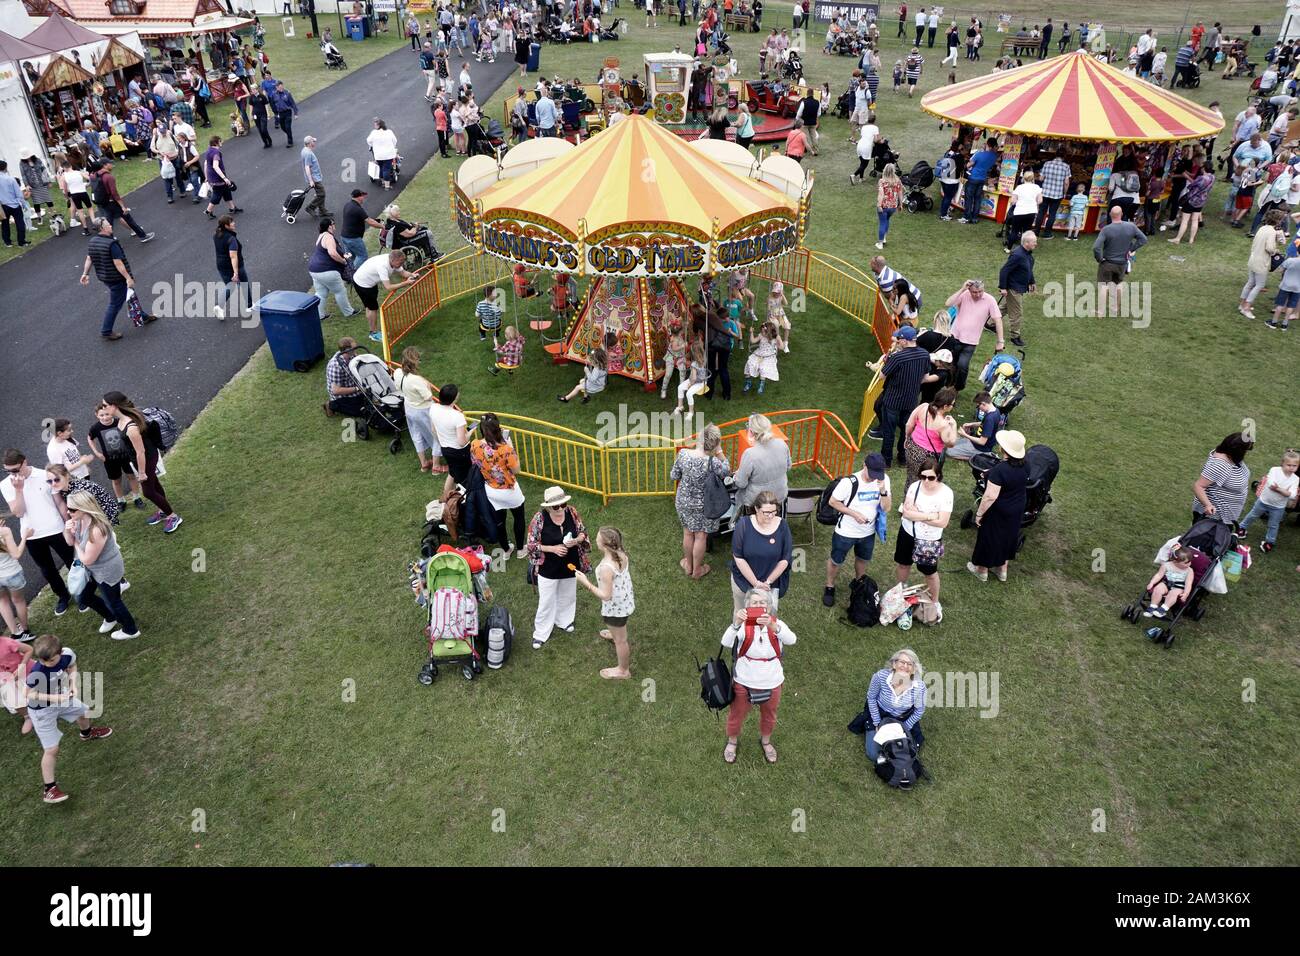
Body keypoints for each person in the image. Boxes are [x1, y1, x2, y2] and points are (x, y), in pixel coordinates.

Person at [1, 450, 104, 618]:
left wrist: (69, 525)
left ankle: (83, 594)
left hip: (57, 529)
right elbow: (18, 513)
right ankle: (63, 596)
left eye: (15, 469)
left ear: (25, 462)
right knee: (47, 570)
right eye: (8, 471)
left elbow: (59, 503)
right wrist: (18, 490)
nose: (13, 474)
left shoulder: (44, 475)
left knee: (73, 562)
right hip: (32, 535)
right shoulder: (6, 485)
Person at [25, 635, 113, 805]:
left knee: (85, 712)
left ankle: (87, 734)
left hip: (62, 698)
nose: (46, 663)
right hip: (41, 710)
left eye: (50, 660)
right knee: (52, 749)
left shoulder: (67, 655)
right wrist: (55, 698)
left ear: (59, 652)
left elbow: (72, 665)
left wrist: (72, 684)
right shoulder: (38, 671)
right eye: (43, 660)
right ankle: (49, 790)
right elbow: (28, 694)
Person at [721, 589, 796, 765]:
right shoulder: (743, 625)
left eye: (762, 603)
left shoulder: (777, 624)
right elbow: (725, 642)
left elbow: (792, 639)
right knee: (737, 714)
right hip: (744, 681)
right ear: (747, 606)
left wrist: (773, 627)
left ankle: (766, 741)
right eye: (754, 603)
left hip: (772, 681)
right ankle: (732, 742)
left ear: (769, 607)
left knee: (769, 714)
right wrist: (736, 624)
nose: (758, 606)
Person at [62, 491, 139, 641]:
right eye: (68, 508)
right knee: (83, 596)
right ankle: (110, 618)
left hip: (106, 570)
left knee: (114, 601)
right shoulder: (78, 520)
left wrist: (77, 543)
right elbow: (69, 542)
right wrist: (67, 530)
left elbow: (86, 559)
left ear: (83, 508)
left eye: (71, 509)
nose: (68, 512)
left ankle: (131, 629)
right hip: (91, 570)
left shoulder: (97, 529)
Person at [102, 392, 181, 534]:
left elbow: (141, 452)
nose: (103, 408)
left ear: (114, 406)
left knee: (148, 491)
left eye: (105, 405)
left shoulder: (131, 427)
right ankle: (163, 511)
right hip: (140, 459)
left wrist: (142, 472)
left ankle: (173, 516)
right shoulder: (121, 420)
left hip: (147, 459)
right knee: (154, 484)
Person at [525, 486, 592, 649]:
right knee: (546, 600)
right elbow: (531, 545)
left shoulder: (572, 512)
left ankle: (565, 620)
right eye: (556, 507)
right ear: (547, 507)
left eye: (563, 504)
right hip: (548, 568)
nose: (561, 509)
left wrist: (576, 540)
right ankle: (540, 633)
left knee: (568, 595)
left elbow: (583, 532)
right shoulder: (539, 519)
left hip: (570, 563)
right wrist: (553, 548)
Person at [823, 451, 891, 607]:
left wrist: (883, 491)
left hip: (868, 532)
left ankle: (859, 583)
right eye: (871, 473)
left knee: (863, 559)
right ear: (864, 466)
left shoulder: (883, 480)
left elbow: (886, 508)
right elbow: (833, 502)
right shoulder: (849, 482)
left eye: (877, 474)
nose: (874, 477)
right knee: (836, 561)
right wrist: (854, 514)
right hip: (846, 532)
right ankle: (830, 586)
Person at [670, 423, 731, 580]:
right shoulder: (713, 462)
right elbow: (727, 471)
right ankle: (697, 570)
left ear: (699, 438)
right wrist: (720, 452)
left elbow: (674, 476)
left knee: (687, 533)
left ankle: (688, 565)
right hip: (705, 505)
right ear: (714, 444)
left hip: (683, 501)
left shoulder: (683, 454)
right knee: (700, 536)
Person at [967, 430, 1028, 582]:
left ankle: (981, 571)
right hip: (1018, 507)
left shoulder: (1000, 471)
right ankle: (1002, 571)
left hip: (999, 510)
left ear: (1004, 449)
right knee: (1008, 537)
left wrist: (979, 515)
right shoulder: (1026, 465)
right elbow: (1011, 477)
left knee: (989, 537)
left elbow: (989, 497)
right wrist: (991, 473)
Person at [574, 527, 635, 679]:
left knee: (621, 641)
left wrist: (585, 582)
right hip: (625, 601)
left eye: (597, 538)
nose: (595, 540)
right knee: (619, 632)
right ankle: (615, 634)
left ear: (606, 545)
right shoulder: (621, 553)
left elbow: (606, 596)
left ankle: (623, 670)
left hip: (616, 609)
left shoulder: (606, 568)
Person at [894, 456, 952, 616]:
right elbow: (906, 513)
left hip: (929, 540)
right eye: (923, 476)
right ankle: (900, 593)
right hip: (908, 533)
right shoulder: (915, 487)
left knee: (929, 572)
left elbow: (943, 522)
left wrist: (916, 513)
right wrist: (929, 516)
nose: (926, 481)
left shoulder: (946, 494)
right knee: (903, 564)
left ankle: (935, 601)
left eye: (931, 477)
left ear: (938, 476)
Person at [79, 218, 151, 342]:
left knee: (129, 294)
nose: (111, 226)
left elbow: (89, 258)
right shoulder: (111, 244)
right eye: (108, 224)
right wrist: (128, 278)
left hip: (105, 277)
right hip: (117, 278)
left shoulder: (93, 241)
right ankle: (106, 331)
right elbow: (118, 263)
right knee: (115, 304)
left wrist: (85, 273)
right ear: (102, 228)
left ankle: (143, 316)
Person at [871, 325, 931, 466]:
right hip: (911, 400)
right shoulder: (925, 354)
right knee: (907, 431)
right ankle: (902, 458)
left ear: (905, 341)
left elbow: (881, 376)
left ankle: (886, 460)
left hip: (892, 400)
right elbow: (926, 377)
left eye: (898, 340)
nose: (897, 342)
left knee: (889, 431)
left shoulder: (897, 357)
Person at [469, 412, 528, 555]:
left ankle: (506, 550)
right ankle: (521, 549)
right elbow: (516, 470)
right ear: (498, 429)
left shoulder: (475, 445)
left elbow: (475, 462)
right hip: (510, 490)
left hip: (491, 490)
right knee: (519, 517)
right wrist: (511, 446)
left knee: (499, 521)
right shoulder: (505, 449)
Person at [729, 489, 792, 612]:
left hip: (770, 585)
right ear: (757, 509)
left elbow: (785, 558)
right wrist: (756, 583)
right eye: (766, 512)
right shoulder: (743, 524)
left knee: (767, 617)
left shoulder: (783, 526)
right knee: (742, 613)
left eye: (774, 512)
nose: (770, 516)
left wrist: (767, 583)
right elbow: (738, 557)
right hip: (744, 582)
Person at [859, 649, 925, 762]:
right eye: (902, 662)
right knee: (874, 755)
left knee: (908, 750)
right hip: (880, 715)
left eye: (910, 664)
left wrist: (905, 727)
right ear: (894, 664)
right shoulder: (880, 677)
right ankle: (870, 730)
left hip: (902, 719)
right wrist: (877, 722)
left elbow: (919, 710)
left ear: (914, 669)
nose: (905, 666)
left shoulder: (920, 686)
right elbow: (871, 698)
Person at [945, 279, 1004, 391]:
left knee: (962, 365)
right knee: (951, 363)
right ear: (969, 290)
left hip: (971, 341)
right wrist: (962, 289)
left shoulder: (990, 300)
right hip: (954, 336)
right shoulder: (964, 294)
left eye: (980, 291)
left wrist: (1000, 341)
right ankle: (949, 384)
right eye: (974, 292)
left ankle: (956, 388)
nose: (977, 294)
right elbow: (948, 303)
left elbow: (998, 320)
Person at [1239, 448, 1299, 551]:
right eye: (1289, 465)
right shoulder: (1274, 470)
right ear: (1282, 463)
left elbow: (1293, 495)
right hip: (1263, 501)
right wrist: (1285, 492)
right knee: (1252, 515)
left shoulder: (1296, 479)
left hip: (1278, 507)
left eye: (1295, 466)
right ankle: (1242, 528)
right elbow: (1271, 485)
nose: (1291, 468)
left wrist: (1278, 489)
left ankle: (1269, 542)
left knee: (1273, 525)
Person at [393, 347, 441, 475]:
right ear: (415, 361)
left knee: (416, 434)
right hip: (423, 410)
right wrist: (428, 386)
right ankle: (436, 467)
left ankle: (424, 463)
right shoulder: (416, 380)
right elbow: (428, 396)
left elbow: (397, 386)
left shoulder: (397, 372)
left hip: (409, 407)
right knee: (436, 435)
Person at [352, 249, 417, 343]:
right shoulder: (383, 266)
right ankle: (373, 333)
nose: (402, 264)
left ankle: (372, 327)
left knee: (370, 307)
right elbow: (388, 287)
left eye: (403, 261)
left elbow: (403, 273)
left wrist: (413, 275)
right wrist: (406, 283)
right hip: (363, 284)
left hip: (369, 282)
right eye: (400, 262)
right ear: (392, 260)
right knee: (373, 308)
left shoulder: (393, 260)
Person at [1093, 206, 1147, 315]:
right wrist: (1131, 249)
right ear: (1121, 214)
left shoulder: (1106, 229)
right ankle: (1115, 309)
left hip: (1107, 263)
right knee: (1119, 284)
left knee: (1104, 286)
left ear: (1110, 215)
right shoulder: (1131, 226)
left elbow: (1096, 247)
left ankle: (1100, 311)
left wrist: (1099, 259)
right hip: (1122, 263)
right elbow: (1143, 239)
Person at [1192, 432, 1254, 526]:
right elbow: (1198, 486)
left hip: (1225, 517)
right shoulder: (1221, 465)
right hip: (1213, 519)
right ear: (1237, 451)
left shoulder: (1230, 456)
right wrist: (1208, 505)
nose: (1246, 453)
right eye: (1245, 450)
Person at [732, 414, 792, 510]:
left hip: (757, 502)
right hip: (779, 496)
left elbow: (741, 483)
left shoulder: (750, 454)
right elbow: (788, 466)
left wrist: (736, 476)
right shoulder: (782, 443)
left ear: (750, 432)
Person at [902, 387, 957, 486]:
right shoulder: (943, 424)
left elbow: (909, 424)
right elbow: (950, 443)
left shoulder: (923, 407)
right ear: (945, 406)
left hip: (912, 448)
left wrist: (907, 437)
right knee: (924, 483)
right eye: (953, 404)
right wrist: (954, 426)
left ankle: (908, 498)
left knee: (911, 477)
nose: (953, 406)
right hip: (928, 458)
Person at [89, 159, 153, 242]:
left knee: (109, 222)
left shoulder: (95, 175)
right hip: (113, 203)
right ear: (104, 165)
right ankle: (143, 236)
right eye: (110, 163)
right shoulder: (108, 177)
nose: (112, 165)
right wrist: (122, 206)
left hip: (103, 203)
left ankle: (107, 240)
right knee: (129, 219)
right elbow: (114, 193)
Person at [307, 218, 359, 321]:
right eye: (333, 224)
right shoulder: (328, 237)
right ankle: (349, 312)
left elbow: (325, 252)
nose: (335, 225)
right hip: (326, 270)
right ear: (329, 226)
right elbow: (332, 253)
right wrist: (343, 261)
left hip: (314, 270)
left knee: (321, 293)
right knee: (340, 291)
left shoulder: (321, 236)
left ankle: (319, 315)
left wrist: (343, 255)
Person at [1240, 209, 1284, 318]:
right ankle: (1246, 308)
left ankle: (1242, 305)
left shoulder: (1262, 228)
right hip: (1261, 262)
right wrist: (1275, 250)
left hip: (1253, 258)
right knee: (1259, 285)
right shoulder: (1272, 232)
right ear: (1277, 220)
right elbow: (1269, 248)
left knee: (1250, 282)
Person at [430, 383, 472, 489]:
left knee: (453, 473)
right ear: (454, 399)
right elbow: (462, 442)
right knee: (465, 479)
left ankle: (445, 498)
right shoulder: (457, 416)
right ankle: (460, 501)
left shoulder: (433, 408)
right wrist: (470, 433)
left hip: (445, 449)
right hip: (460, 452)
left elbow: (433, 430)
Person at [998, 231, 1036, 348]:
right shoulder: (1017, 255)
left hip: (1019, 286)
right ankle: (1015, 336)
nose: (1036, 244)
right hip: (1014, 288)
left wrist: (1032, 281)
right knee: (1017, 312)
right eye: (1034, 242)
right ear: (1026, 243)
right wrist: (1003, 287)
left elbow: (1028, 269)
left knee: (1005, 307)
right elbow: (1004, 270)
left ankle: (989, 323)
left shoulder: (1028, 254)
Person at [212, 214, 251, 320]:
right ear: (226, 225)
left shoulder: (216, 234)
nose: (234, 223)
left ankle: (219, 306)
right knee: (244, 284)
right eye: (231, 222)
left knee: (230, 286)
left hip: (220, 265)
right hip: (233, 266)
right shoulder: (231, 239)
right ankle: (250, 306)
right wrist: (236, 272)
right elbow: (233, 256)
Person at [0, 520, 32, 642]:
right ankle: (25, 630)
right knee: (18, 601)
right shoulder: (4, 531)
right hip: (12, 573)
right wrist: (24, 537)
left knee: (2, 602)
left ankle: (15, 633)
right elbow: (16, 554)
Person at [1141, 546, 1194, 618]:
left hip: (1179, 587)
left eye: (1190, 561)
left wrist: (1186, 593)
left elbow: (1188, 583)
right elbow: (1159, 575)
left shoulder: (1189, 571)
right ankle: (1152, 607)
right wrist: (1152, 583)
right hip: (1166, 583)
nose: (1189, 564)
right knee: (1158, 589)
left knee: (1173, 593)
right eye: (1186, 562)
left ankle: (1163, 609)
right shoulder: (1167, 565)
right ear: (1175, 561)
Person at [960, 137, 1000, 224]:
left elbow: (969, 165)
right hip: (982, 179)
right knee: (977, 199)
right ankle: (974, 218)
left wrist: (967, 164)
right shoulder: (994, 156)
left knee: (969, 198)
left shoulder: (979, 154)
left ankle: (966, 217)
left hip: (973, 177)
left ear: (987, 144)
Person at [323, 336, 365, 417]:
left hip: (353, 386)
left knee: (369, 403)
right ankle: (331, 405)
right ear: (347, 350)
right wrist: (357, 388)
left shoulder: (352, 355)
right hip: (341, 396)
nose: (356, 349)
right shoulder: (335, 366)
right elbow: (336, 391)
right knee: (360, 412)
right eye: (354, 347)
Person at [202, 136, 241, 221]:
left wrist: (206, 177)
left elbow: (205, 164)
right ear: (216, 143)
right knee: (217, 195)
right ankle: (208, 211)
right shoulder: (216, 153)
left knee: (226, 191)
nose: (221, 142)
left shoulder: (208, 150)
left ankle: (232, 208)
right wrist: (224, 178)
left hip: (212, 176)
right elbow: (215, 166)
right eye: (220, 141)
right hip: (218, 178)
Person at [339, 188, 381, 266]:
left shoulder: (347, 205)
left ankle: (349, 271)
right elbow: (370, 222)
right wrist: (382, 226)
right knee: (362, 256)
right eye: (363, 196)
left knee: (350, 257)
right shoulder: (357, 209)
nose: (364, 198)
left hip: (344, 236)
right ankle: (353, 273)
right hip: (353, 238)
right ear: (359, 197)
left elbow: (362, 218)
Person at [1006, 171, 1041, 250]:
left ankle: (1008, 248)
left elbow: (1013, 201)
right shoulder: (1037, 187)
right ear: (1033, 178)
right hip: (1031, 211)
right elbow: (1040, 201)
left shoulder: (1019, 187)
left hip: (1019, 211)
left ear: (1024, 178)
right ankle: (1025, 249)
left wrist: (1014, 196)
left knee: (1014, 230)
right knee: (1026, 232)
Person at [0, 160, 29, 247]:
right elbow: (18, 193)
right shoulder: (11, 179)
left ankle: (7, 242)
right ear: (5, 168)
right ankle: (21, 241)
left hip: (3, 205)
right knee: (20, 223)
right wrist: (23, 204)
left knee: (5, 224)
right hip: (15, 204)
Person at [875, 162, 903, 249]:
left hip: (884, 206)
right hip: (893, 206)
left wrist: (879, 205)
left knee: (882, 222)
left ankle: (880, 243)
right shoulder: (897, 181)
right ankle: (884, 238)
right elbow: (900, 193)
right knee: (887, 220)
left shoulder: (882, 181)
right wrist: (901, 204)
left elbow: (881, 194)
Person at [367, 119, 399, 190]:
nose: (374, 126)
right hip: (388, 154)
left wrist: (373, 145)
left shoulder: (374, 133)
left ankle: (383, 182)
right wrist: (392, 146)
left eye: (375, 125)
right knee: (386, 169)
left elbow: (369, 141)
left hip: (378, 155)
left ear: (379, 125)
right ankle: (387, 186)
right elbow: (395, 141)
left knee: (381, 167)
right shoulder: (389, 132)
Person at [301, 136, 328, 219]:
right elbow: (307, 167)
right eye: (313, 141)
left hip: (315, 177)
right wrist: (311, 180)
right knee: (322, 194)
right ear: (309, 144)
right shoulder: (308, 154)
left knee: (319, 193)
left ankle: (322, 210)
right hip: (314, 178)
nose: (314, 142)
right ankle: (310, 207)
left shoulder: (304, 150)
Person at [270, 80, 299, 147]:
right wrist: (275, 113)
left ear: (282, 85)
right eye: (278, 87)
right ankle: (289, 134)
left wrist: (295, 113)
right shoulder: (274, 95)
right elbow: (273, 104)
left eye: (281, 87)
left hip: (287, 112)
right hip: (280, 113)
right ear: (276, 87)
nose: (280, 88)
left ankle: (290, 142)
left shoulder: (287, 93)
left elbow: (293, 103)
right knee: (283, 127)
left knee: (288, 127)